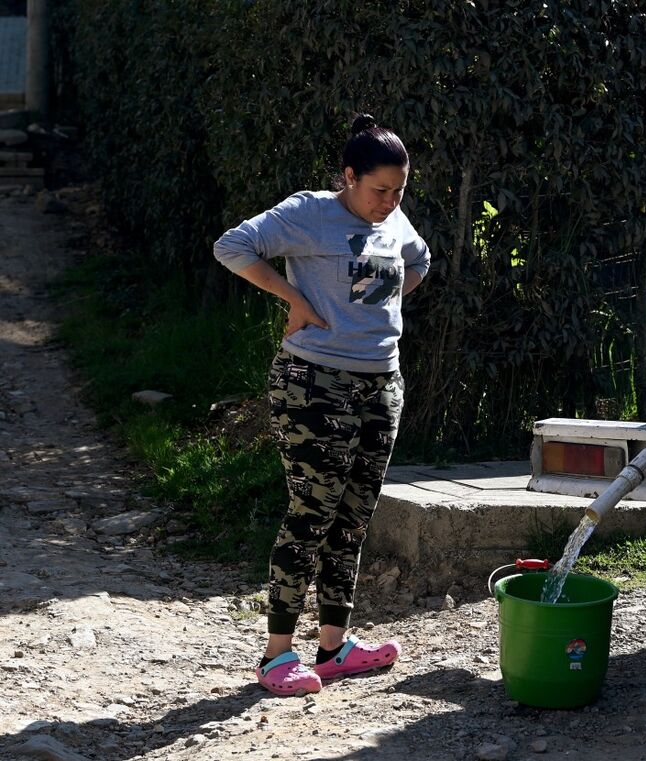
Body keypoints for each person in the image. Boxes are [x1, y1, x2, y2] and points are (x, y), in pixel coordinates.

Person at [213, 114, 430, 696]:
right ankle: (276, 657)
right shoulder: (309, 213)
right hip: (314, 382)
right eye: (378, 190)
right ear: (348, 176)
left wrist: (377, 312)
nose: (389, 202)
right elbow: (231, 246)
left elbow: (419, 259)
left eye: (399, 191)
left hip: (382, 383)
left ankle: (333, 648)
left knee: (354, 517)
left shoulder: (394, 217)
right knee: (312, 512)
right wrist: (296, 299)